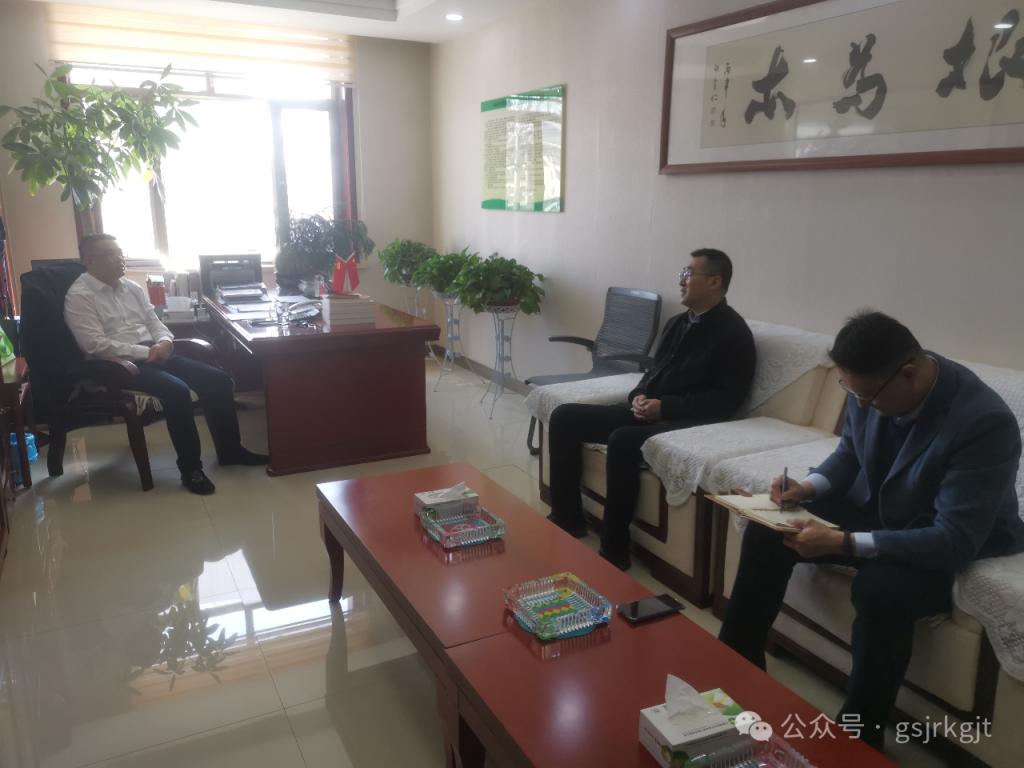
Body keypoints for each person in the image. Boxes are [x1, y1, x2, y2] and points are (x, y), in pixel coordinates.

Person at [719, 311, 1024, 751]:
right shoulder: (873, 383)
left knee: (881, 589)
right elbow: (850, 452)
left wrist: (843, 542)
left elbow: (953, 539)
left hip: (947, 536)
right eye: (852, 392)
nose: (860, 406)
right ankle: (734, 668)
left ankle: (858, 735)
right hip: (887, 509)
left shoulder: (983, 423)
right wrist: (808, 487)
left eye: (867, 396)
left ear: (910, 373)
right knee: (770, 529)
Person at [546, 248, 756, 570]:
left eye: (689, 274)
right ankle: (567, 518)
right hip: (651, 411)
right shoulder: (677, 323)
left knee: (623, 439)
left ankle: (614, 549)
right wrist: (639, 396)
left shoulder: (734, 333)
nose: (681, 280)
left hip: (692, 421)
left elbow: (727, 400)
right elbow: (653, 373)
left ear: (715, 281)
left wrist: (665, 407)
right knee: (565, 417)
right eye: (682, 273)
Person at [64, 234, 268, 495]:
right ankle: (191, 469)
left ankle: (231, 452)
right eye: (111, 255)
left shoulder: (132, 288)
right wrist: (146, 351)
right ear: (89, 261)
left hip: (155, 353)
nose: (120, 259)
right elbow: (94, 344)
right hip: (117, 365)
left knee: (217, 380)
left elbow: (155, 322)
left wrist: (164, 342)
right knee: (177, 391)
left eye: (120, 253)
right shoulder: (80, 296)